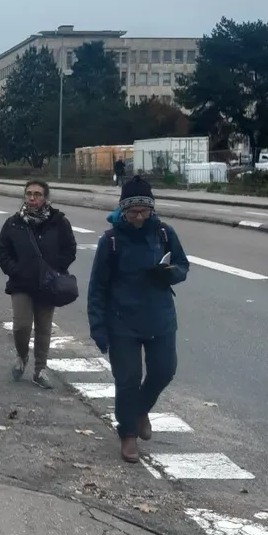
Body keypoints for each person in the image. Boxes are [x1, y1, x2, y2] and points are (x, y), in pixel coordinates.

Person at [87, 177, 190, 463]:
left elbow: (183, 265)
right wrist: (98, 328)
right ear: (123, 210)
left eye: (144, 210)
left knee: (164, 371)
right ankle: (128, 434)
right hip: (123, 323)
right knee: (128, 379)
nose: (139, 217)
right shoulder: (111, 241)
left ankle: (140, 409)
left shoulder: (164, 234)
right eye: (133, 212)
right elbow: (97, 288)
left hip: (160, 319)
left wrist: (169, 273)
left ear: (151, 209)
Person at [0, 180, 77, 390]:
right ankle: (22, 357)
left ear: (45, 198)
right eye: (29, 194)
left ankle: (40, 370)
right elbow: (3, 251)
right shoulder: (14, 223)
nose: (32, 198)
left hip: (47, 284)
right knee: (22, 326)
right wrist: (15, 270)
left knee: (44, 328)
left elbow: (70, 249)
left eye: (37, 194)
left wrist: (56, 268)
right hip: (21, 283)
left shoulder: (59, 222)